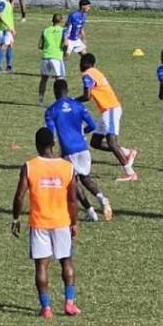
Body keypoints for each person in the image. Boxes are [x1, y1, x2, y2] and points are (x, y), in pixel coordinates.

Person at [10, 127, 80, 318]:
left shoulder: (30, 166)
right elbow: (72, 199)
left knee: (41, 266)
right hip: (62, 222)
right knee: (66, 261)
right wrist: (74, 222)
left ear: (37, 145)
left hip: (39, 222)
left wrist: (16, 218)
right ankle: (70, 303)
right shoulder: (67, 167)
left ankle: (46, 307)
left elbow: (19, 196)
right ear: (53, 144)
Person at [46, 79, 112, 223]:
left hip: (68, 150)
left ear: (55, 92)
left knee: (72, 182)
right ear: (67, 91)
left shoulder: (52, 110)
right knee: (86, 177)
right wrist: (83, 131)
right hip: (82, 147)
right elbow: (92, 125)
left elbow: (50, 134)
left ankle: (90, 211)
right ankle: (102, 198)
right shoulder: (78, 105)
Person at [78, 53, 138, 182]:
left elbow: (86, 96)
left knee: (111, 141)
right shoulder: (95, 72)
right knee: (95, 142)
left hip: (110, 109)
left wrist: (72, 100)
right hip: (108, 110)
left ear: (85, 63)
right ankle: (127, 153)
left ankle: (130, 173)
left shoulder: (87, 75)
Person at [37, 13, 66, 106]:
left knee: (44, 79)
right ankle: (60, 100)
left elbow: (40, 45)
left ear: (52, 20)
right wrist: (64, 52)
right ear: (61, 20)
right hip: (56, 57)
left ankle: (40, 100)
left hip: (46, 57)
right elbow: (65, 44)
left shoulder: (45, 30)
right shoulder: (63, 31)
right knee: (59, 80)